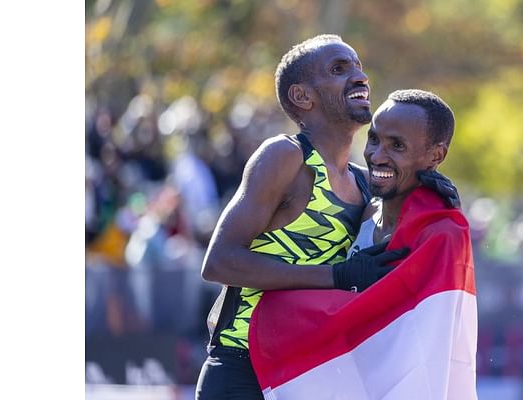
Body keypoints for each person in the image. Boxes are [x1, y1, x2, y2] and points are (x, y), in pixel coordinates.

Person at [195, 35, 458, 400]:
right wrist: (334, 277)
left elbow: (391, 262)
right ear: (303, 97)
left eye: (359, 66)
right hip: (245, 367)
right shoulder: (285, 157)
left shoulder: (365, 184)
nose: (360, 76)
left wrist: (431, 197)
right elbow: (219, 262)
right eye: (339, 69)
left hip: (309, 371)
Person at [247, 89, 478, 399]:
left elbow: (431, 340)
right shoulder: (365, 205)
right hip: (349, 381)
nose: (377, 155)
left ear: (436, 156)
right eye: (373, 140)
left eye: (397, 146)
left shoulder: (442, 232)